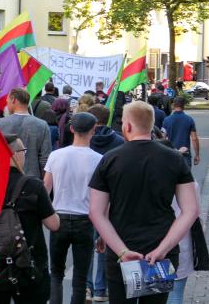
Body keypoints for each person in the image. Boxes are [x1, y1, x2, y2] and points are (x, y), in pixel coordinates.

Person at [89, 101, 199, 304]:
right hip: (159, 253)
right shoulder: (174, 159)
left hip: (121, 251)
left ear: (127, 126)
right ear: (152, 124)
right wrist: (163, 249)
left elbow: (96, 212)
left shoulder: (110, 159)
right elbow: (190, 210)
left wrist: (121, 250)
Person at [0, 134, 60, 304]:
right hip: (29, 263)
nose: (24, 155)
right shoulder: (33, 185)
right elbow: (53, 224)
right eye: (23, 151)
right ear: (15, 154)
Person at [43, 112, 102, 304]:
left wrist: (46, 216)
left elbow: (45, 189)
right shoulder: (99, 159)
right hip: (85, 221)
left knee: (56, 272)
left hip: (59, 218)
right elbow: (103, 198)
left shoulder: (55, 155)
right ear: (94, 130)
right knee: (80, 276)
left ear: (71, 129)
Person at [86, 104, 125, 302]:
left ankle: (87, 286)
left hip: (86, 203)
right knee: (105, 245)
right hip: (111, 203)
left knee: (87, 248)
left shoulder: (85, 141)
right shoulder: (119, 142)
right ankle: (101, 288)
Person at [0, 88, 52, 178]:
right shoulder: (42, 125)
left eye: (7, 101)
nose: (6, 104)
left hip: (4, 177)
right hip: (32, 179)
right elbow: (45, 159)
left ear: (13, 99)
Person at [163, 96, 200, 168]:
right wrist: (197, 155)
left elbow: (163, 138)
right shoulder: (189, 120)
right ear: (184, 106)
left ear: (173, 105)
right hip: (185, 154)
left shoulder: (166, 120)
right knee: (186, 178)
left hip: (171, 154)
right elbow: (194, 139)